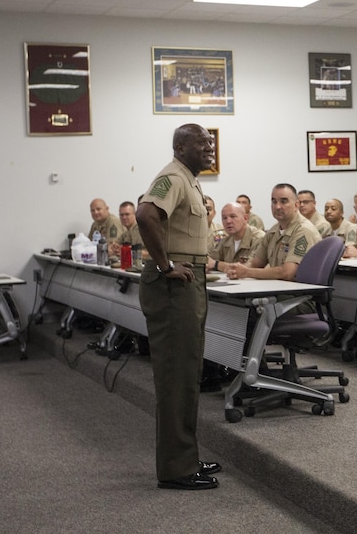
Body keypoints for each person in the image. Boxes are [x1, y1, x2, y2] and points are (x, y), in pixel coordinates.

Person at [135, 123, 220, 490]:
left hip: (189, 281)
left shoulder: (189, 178)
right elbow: (145, 215)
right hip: (174, 286)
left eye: (211, 142)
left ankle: (185, 457)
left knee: (187, 373)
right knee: (176, 376)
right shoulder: (173, 176)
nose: (210, 147)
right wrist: (166, 265)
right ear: (181, 146)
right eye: (202, 142)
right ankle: (175, 468)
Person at [226, 184, 321, 281]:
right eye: (274, 201)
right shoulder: (273, 231)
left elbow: (287, 272)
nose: (278, 206)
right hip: (277, 289)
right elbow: (256, 262)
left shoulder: (303, 230)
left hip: (296, 292)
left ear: (296, 205)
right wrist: (237, 271)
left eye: (284, 201)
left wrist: (246, 272)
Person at [206, 202, 265, 274]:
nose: (228, 221)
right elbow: (210, 260)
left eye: (233, 216)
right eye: (224, 218)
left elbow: (249, 267)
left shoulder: (259, 238)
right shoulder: (225, 241)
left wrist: (216, 264)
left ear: (245, 218)